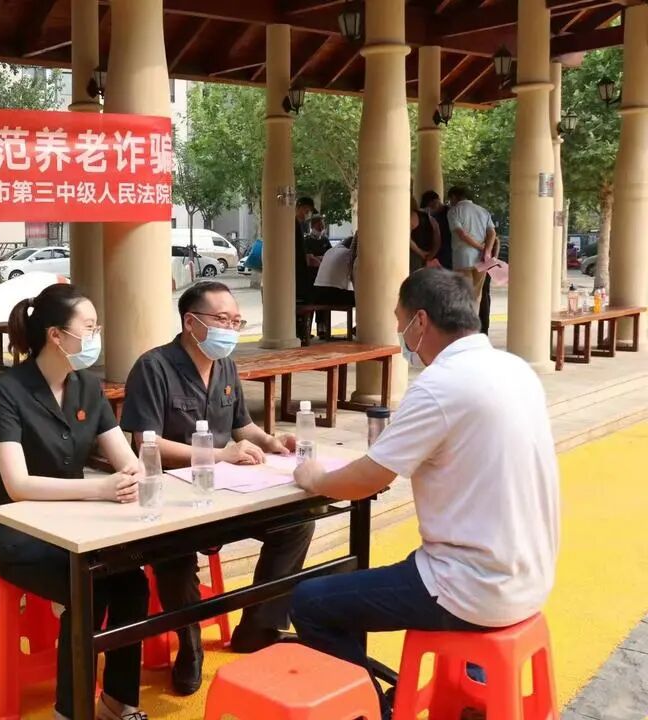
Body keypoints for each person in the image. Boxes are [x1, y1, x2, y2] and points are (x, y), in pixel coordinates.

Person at [289, 269, 560, 719]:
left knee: (311, 602)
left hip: (472, 587)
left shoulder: (440, 386)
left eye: (399, 321)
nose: (400, 333)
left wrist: (315, 478)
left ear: (420, 321)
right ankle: (474, 695)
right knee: (393, 574)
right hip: (530, 579)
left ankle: (373, 711)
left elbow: (369, 478)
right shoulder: (515, 369)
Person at [121, 281, 315, 696]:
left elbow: (241, 424)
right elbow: (146, 443)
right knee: (172, 552)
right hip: (175, 497)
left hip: (227, 494)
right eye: (222, 319)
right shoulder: (153, 367)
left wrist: (270, 441)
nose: (231, 328)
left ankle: (259, 626)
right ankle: (189, 644)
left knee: (297, 523)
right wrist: (219, 454)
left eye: (236, 321)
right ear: (191, 323)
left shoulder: (225, 364)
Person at [0, 283, 150, 720]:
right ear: (56, 335)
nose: (95, 336)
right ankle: (71, 712)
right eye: (89, 328)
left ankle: (118, 703)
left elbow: (125, 459)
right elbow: (17, 484)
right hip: (18, 535)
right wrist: (100, 489)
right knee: (90, 587)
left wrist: (134, 472)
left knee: (132, 582)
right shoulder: (8, 390)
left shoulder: (88, 387)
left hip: (76, 530)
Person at [446, 187, 496, 305]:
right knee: (476, 296)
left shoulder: (454, 211)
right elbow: (492, 233)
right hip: (482, 259)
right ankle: (474, 316)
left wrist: (480, 247)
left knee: (463, 295)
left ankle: (464, 317)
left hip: (463, 258)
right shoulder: (483, 211)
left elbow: (462, 234)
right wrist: (487, 250)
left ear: (454, 197)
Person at [296, 196, 318, 340]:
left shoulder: (299, 225)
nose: (307, 214)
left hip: (302, 270)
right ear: (299, 207)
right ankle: (301, 332)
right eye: (306, 210)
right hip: (297, 272)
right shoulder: (293, 224)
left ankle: (303, 331)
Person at [311, 235, 355, 308]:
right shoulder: (349, 253)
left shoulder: (329, 251)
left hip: (316, 293)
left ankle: (322, 316)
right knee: (363, 297)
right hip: (334, 294)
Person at [420, 190, 453, 271]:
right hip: (439, 252)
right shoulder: (432, 216)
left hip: (449, 250)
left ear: (437, 200)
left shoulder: (451, 212)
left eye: (432, 205)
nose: (431, 208)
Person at [409, 198, 441, 274]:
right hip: (428, 255)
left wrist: (420, 252)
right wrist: (431, 255)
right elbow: (438, 239)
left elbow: (406, 238)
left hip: (414, 256)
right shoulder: (430, 218)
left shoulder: (411, 216)